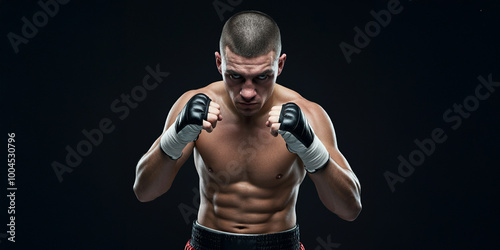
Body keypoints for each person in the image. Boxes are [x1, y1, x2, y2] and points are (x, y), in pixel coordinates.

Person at [133, 10, 361, 250]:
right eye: (235, 76)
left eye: (262, 77)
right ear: (219, 63)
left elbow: (350, 209)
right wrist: (174, 139)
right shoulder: (193, 105)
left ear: (280, 64)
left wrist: (312, 150)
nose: (248, 92)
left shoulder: (309, 114)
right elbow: (144, 191)